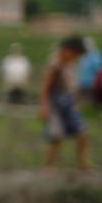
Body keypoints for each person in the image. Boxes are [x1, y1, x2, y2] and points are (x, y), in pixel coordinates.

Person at [38, 36, 89, 170]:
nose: (76, 57)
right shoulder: (54, 63)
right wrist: (43, 106)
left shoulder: (69, 64)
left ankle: (82, 164)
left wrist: (75, 101)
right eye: (75, 54)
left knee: (81, 132)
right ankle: (48, 167)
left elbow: (71, 85)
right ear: (67, 50)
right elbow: (44, 87)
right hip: (54, 102)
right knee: (57, 137)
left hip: (67, 101)